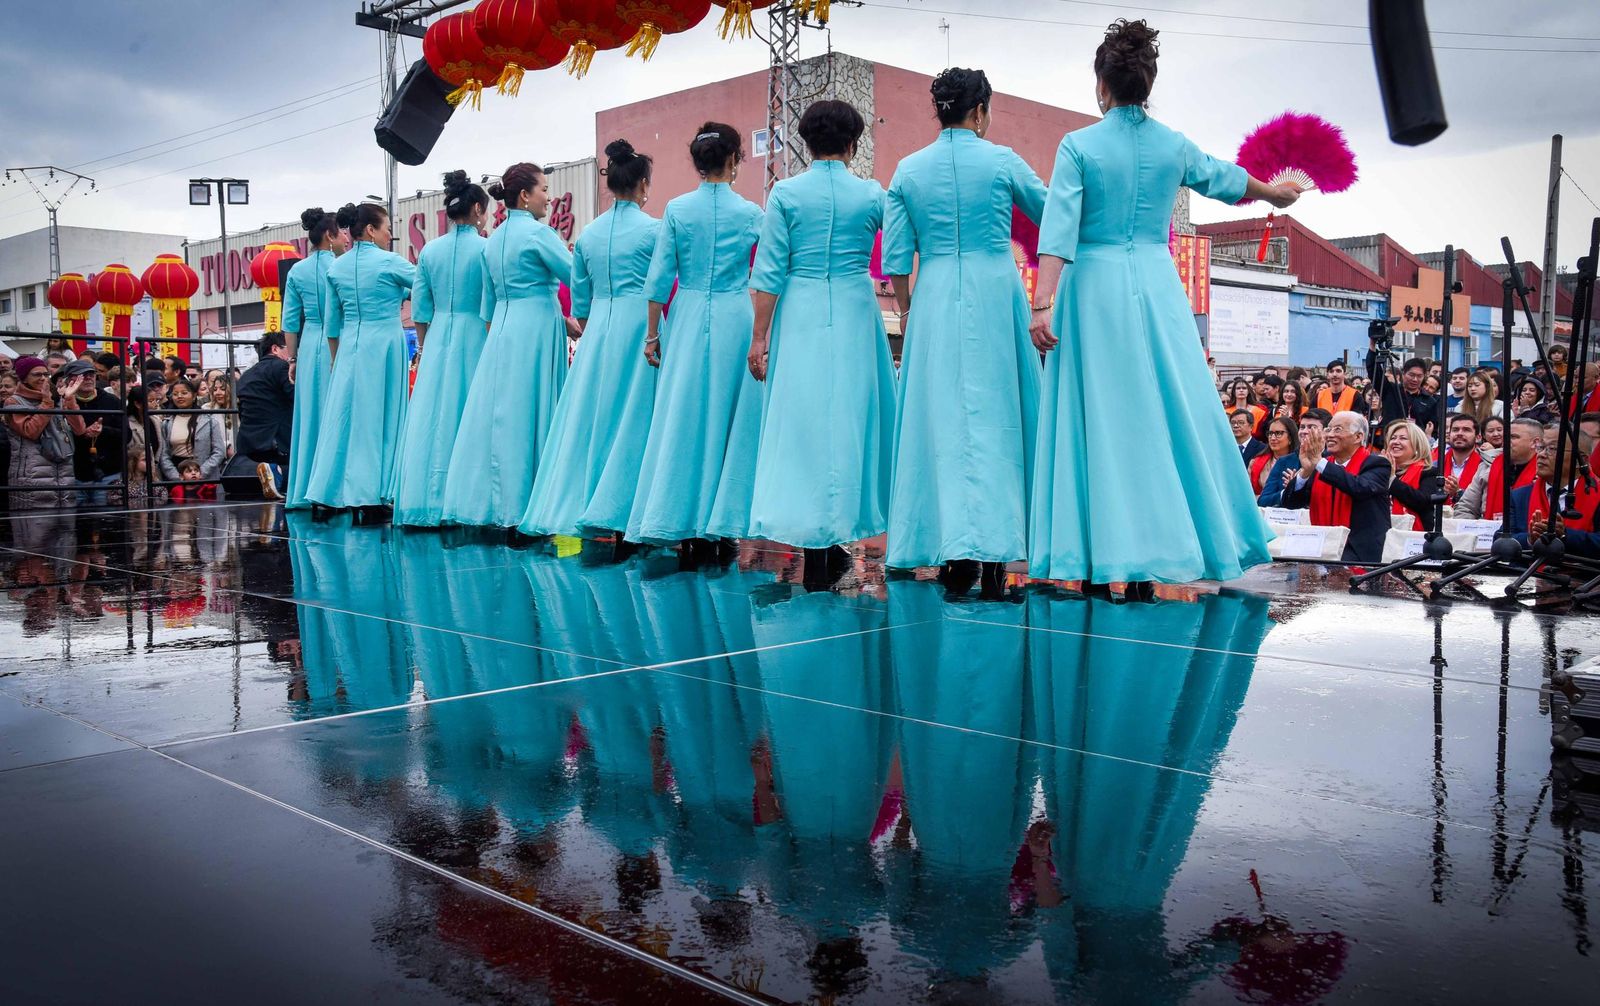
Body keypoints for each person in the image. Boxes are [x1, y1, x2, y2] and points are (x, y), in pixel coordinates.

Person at [1028, 21, 1292, 590]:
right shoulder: (1173, 142)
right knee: (1166, 413)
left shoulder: (1078, 145)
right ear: (1148, 84)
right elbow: (1226, 180)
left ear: (1102, 85)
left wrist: (1041, 303)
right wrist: (1276, 193)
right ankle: (1164, 550)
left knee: (1098, 417)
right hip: (1156, 283)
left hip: (1093, 287)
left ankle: (1099, 554)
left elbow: (1058, 230)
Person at [884, 67, 1047, 594]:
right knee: (1000, 415)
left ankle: (950, 551)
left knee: (940, 421)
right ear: (980, 112)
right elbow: (1051, 212)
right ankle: (999, 555)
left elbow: (894, 259)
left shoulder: (908, 170)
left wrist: (908, 315)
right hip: (994, 290)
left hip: (933, 295)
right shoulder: (1002, 160)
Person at [744, 100, 897, 584]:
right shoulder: (872, 193)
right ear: (854, 144)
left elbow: (767, 273)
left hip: (801, 307)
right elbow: (895, 255)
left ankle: (810, 531)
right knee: (852, 419)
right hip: (855, 306)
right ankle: (844, 526)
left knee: (802, 421)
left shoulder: (785, 195)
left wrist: (759, 337)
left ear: (806, 143)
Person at [625, 124, 764, 557]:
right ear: (736, 159)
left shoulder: (677, 210)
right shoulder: (752, 213)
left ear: (697, 163)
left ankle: (681, 518)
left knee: (683, 415)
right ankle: (724, 523)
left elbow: (659, 278)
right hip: (735, 314)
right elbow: (768, 275)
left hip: (685, 315)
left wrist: (652, 334)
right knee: (728, 415)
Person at [521, 143, 661, 544]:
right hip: (641, 325)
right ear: (642, 185)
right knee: (639, 418)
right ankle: (632, 506)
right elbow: (663, 283)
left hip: (599, 327)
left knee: (596, 419)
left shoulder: (588, 235)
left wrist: (594, 327)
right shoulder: (654, 229)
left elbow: (579, 299)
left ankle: (594, 504)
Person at [442, 162, 574, 530]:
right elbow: (576, 275)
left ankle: (501, 505)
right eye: (544, 189)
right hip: (535, 328)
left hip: (501, 329)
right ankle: (536, 503)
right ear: (524, 196)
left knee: (503, 418)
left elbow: (487, 307)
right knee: (535, 413)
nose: (548, 196)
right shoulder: (538, 234)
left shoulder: (494, 240)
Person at [304, 201, 416, 520]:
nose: (389, 236)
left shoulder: (335, 267)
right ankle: (370, 496)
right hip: (383, 342)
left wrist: (336, 360)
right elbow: (425, 285)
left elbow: (332, 323)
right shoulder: (390, 262)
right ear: (370, 230)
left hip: (349, 345)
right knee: (380, 419)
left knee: (342, 421)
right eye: (387, 229)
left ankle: (325, 493)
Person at [392, 170, 491, 527]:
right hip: (476, 332)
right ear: (478, 208)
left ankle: (430, 497)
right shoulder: (486, 247)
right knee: (472, 412)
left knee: (434, 418)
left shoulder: (429, 251)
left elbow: (419, 308)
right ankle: (470, 498)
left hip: (438, 336)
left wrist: (424, 343)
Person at [281, 205, 352, 509]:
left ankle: (307, 486)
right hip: (340, 340)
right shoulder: (341, 267)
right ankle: (336, 486)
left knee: (310, 415)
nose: (346, 239)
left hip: (310, 344)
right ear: (328, 235)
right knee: (338, 412)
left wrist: (293, 359)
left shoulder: (297, 270)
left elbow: (289, 321)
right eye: (341, 234)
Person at [1282, 411, 1392, 563]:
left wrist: (1319, 463)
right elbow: (1291, 504)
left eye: (1338, 429)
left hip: (1359, 553)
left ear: (1358, 437)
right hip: (1320, 547)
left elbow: (1359, 487)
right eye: (1328, 429)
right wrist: (1306, 471)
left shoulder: (1377, 464)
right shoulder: (1322, 466)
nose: (1330, 435)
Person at [4, 356, 82, 509]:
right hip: (32, 476)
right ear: (24, 377)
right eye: (37, 374)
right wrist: (46, 403)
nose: (42, 378)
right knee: (36, 526)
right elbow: (31, 431)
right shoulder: (13, 402)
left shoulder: (56, 398)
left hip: (64, 473)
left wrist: (70, 400)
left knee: (66, 529)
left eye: (45, 374)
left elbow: (79, 429)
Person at [1513, 423, 1600, 556]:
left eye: (1552, 449)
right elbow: (1502, 538)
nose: (1541, 455)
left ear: (1580, 460)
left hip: (1583, 574)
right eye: (1541, 447)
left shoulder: (1597, 495)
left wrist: (1565, 535)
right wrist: (1530, 539)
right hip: (1528, 572)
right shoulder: (1519, 496)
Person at [234, 331, 296, 501]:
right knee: (307, 466)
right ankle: (277, 472)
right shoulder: (281, 367)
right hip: (278, 440)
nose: (293, 354)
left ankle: (275, 475)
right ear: (275, 349)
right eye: (289, 348)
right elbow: (297, 398)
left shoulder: (247, 375)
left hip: (250, 441)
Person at [63, 358, 125, 505]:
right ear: (69, 379)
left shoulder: (112, 401)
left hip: (108, 472)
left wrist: (103, 430)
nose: (89, 378)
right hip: (74, 473)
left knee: (108, 521)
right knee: (77, 523)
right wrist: (84, 433)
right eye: (82, 375)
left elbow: (126, 435)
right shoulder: (62, 402)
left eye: (91, 374)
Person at [1455, 416, 1539, 521]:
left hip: (1528, 534)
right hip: (1487, 533)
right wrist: (1474, 532)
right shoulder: (1487, 466)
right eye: (1506, 436)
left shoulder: (1545, 471)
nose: (1507, 440)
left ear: (1535, 443)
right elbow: (1466, 507)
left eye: (1514, 437)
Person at [156, 378, 227, 489]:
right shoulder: (166, 422)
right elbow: (164, 454)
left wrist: (199, 473)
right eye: (175, 394)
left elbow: (219, 451)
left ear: (194, 396)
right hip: (178, 475)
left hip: (205, 476)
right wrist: (177, 476)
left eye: (184, 393)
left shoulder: (209, 421)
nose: (179, 396)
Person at [1369, 353, 1438, 434]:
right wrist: (1372, 347)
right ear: (1403, 373)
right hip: (1391, 439)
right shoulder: (1390, 390)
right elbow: (1374, 372)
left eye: (1419, 376)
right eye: (1411, 375)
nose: (1415, 379)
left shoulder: (1430, 401)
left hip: (1416, 442)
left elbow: (1433, 428)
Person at [1384, 419, 1433, 531]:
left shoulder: (1428, 472)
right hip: (1382, 532)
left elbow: (1423, 502)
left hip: (1415, 538)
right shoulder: (1380, 471)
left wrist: (1392, 480)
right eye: (1393, 438)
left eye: (1403, 438)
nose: (1396, 442)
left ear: (1417, 446)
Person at [1437, 412, 1484, 507]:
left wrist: (1458, 493)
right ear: (1449, 435)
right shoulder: (1435, 465)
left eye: (1466, 430)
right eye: (1455, 430)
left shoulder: (1485, 467)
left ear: (1478, 437)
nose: (1459, 433)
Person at [1253, 416, 1300, 508]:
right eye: (1270, 433)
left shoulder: (1300, 461)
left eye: (1278, 433)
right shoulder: (1256, 462)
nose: (1273, 438)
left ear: (1290, 437)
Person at [205, 373, 236, 459]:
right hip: (215, 458)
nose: (217, 393)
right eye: (215, 389)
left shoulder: (241, 409)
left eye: (222, 389)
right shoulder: (206, 410)